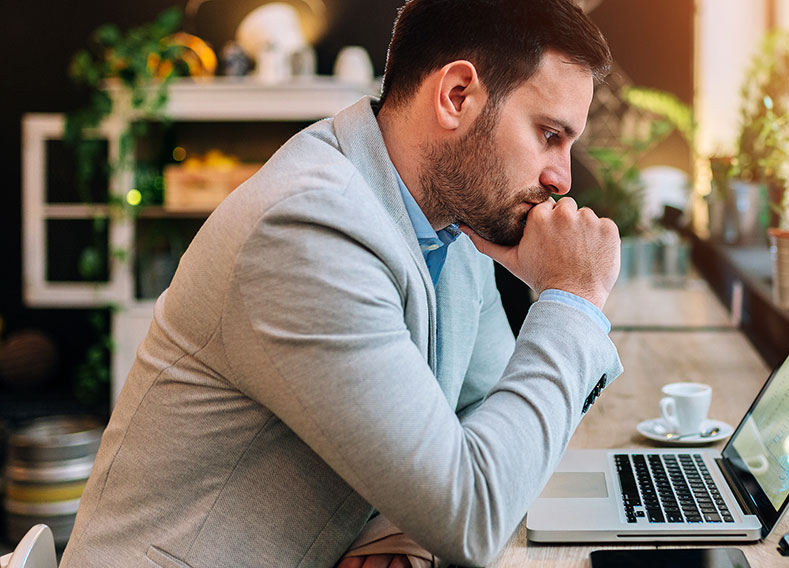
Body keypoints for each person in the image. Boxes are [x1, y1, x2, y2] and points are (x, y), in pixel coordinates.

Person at [60, 1, 621, 566]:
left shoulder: (450, 216)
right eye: (549, 134)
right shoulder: (306, 226)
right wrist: (571, 298)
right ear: (456, 96)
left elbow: (490, 414)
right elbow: (473, 513)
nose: (562, 178)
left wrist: (407, 529)